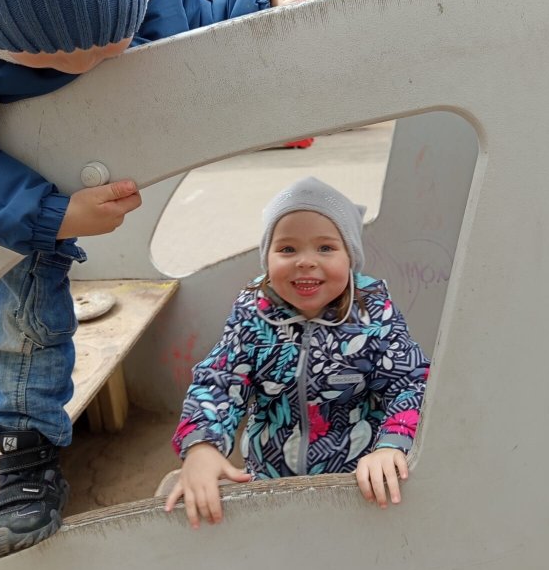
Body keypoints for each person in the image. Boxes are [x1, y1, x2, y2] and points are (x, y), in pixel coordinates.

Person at [0, 0, 344, 558]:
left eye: (112, 40)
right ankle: (25, 454)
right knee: (19, 317)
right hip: (20, 198)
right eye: (49, 57)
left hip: (99, 176)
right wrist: (49, 215)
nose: (90, 63)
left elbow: (207, 25)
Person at [166, 177, 430, 529]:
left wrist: (391, 446)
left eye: (325, 248)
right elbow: (220, 381)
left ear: (350, 256)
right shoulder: (252, 313)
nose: (306, 262)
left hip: (356, 482)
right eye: (288, 249)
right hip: (270, 479)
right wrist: (203, 447)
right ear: (267, 257)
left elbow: (409, 383)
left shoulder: (373, 314)